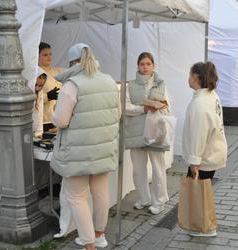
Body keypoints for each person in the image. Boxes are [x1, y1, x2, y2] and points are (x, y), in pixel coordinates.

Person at [50, 43, 120, 250]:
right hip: (103, 148)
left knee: (76, 196)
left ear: (72, 62)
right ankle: (99, 235)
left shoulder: (72, 85)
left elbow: (61, 121)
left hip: (77, 151)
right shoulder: (108, 81)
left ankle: (88, 244)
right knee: (100, 192)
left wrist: (55, 110)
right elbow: (118, 114)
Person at [182, 61, 227, 237]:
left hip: (204, 156)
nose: (188, 78)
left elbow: (199, 135)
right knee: (202, 193)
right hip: (212, 152)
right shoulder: (211, 95)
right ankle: (201, 225)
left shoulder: (200, 103)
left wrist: (194, 161)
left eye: (189, 74)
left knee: (199, 194)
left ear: (195, 77)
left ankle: (205, 228)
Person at [125, 52, 169, 215]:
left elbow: (167, 105)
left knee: (158, 167)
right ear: (138, 66)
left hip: (155, 129)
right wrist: (142, 109)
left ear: (153, 65)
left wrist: (160, 107)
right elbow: (125, 106)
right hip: (136, 129)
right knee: (138, 168)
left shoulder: (161, 84)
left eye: (148, 64)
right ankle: (144, 198)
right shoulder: (130, 85)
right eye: (142, 64)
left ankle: (160, 200)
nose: (145, 67)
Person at [38, 42, 63, 127]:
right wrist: (47, 96)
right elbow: (31, 98)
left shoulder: (58, 71)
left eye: (50, 54)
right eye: (45, 55)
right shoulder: (36, 74)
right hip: (44, 121)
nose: (49, 57)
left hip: (59, 118)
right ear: (37, 57)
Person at [30, 67, 47, 138]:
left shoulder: (40, 92)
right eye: (35, 84)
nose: (37, 88)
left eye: (41, 86)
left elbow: (40, 112)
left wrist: (39, 132)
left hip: (34, 131)